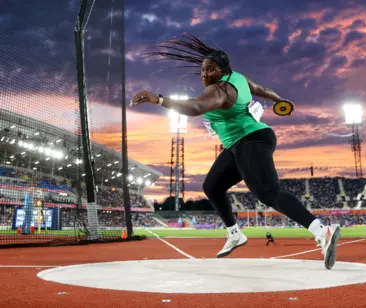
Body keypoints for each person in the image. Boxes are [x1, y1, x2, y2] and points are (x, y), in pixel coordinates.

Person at [131, 33, 341, 270]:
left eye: (210, 70)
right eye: (202, 70)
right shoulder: (239, 78)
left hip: (251, 139)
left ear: (222, 71)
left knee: (268, 193)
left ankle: (321, 230)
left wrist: (159, 100)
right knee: (212, 186)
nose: (204, 74)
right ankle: (234, 234)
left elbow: (196, 107)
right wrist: (279, 99)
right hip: (238, 144)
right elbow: (260, 88)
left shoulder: (221, 90)